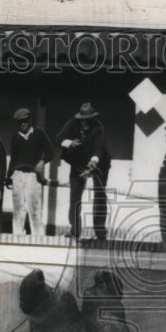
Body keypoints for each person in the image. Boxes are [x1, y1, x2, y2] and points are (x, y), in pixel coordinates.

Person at [56, 102, 111, 241]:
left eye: (88, 120)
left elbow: (98, 147)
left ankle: (100, 232)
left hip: (99, 163)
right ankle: (75, 230)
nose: (85, 123)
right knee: (75, 197)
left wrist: (94, 160)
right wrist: (70, 143)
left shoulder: (98, 127)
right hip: (79, 163)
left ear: (92, 119)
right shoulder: (73, 123)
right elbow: (59, 138)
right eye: (82, 120)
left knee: (99, 195)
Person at [6, 108, 53, 237]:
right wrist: (8, 176)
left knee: (35, 210)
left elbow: (50, 152)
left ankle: (38, 240)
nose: (23, 124)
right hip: (18, 175)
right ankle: (17, 238)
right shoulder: (15, 137)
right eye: (20, 122)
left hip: (33, 176)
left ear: (30, 120)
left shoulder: (39, 134)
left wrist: (42, 161)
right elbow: (13, 159)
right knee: (18, 210)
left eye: (25, 121)